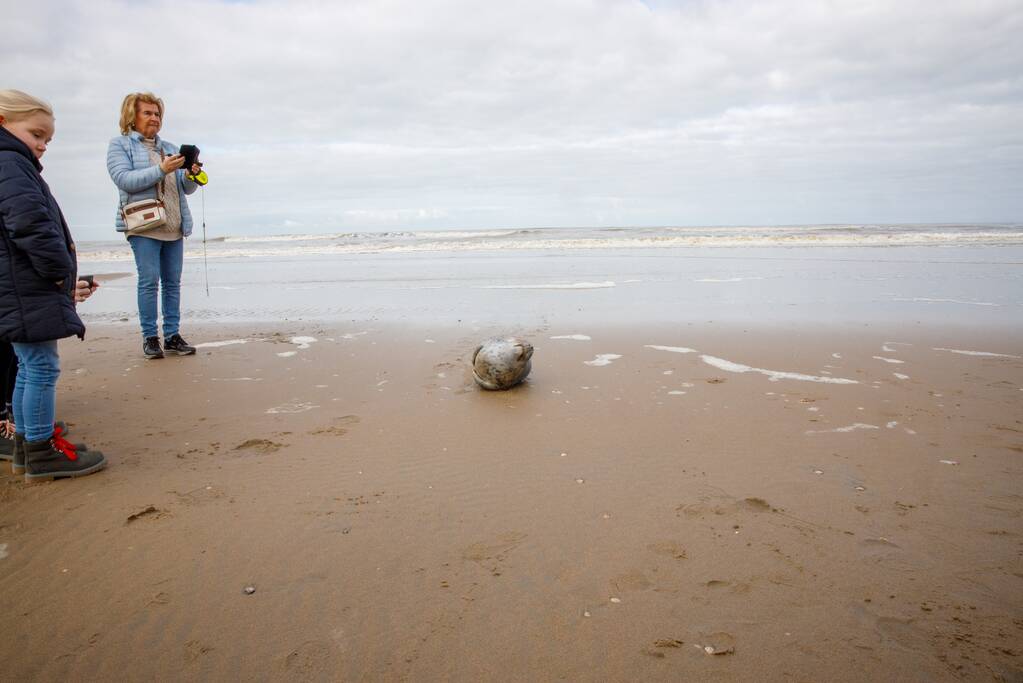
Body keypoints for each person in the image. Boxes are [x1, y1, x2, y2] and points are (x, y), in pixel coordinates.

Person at [0, 89, 106, 480]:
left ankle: (28, 448)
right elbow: (29, 225)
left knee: (29, 367)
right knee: (41, 366)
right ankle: (42, 451)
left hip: (17, 285)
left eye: (48, 139)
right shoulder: (10, 162)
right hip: (27, 285)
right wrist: (59, 271)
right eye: (36, 134)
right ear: (4, 123)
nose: (43, 145)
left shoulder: (13, 162)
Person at [106, 92, 199, 359]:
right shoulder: (120, 145)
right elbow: (124, 180)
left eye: (157, 114)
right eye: (147, 113)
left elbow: (185, 189)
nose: (154, 118)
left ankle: (172, 335)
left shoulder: (168, 147)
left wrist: (190, 175)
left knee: (173, 283)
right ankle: (150, 338)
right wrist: (162, 169)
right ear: (131, 116)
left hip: (174, 224)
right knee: (149, 282)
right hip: (143, 225)